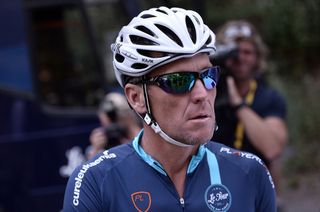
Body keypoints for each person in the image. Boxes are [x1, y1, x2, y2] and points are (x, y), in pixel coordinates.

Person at [63, 7, 276, 211]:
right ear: (137, 98)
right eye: (178, 81)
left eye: (208, 76)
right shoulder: (95, 181)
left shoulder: (250, 173)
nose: (202, 94)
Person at [212, 20, 288, 205]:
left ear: (257, 57)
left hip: (256, 193)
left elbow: (272, 149)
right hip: (215, 191)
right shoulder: (208, 94)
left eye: (247, 52)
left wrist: (238, 105)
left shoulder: (268, 97)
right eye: (233, 52)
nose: (239, 58)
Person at [86, 92, 142, 159]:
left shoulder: (138, 135)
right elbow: (91, 166)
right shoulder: (103, 143)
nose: (111, 128)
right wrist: (96, 149)